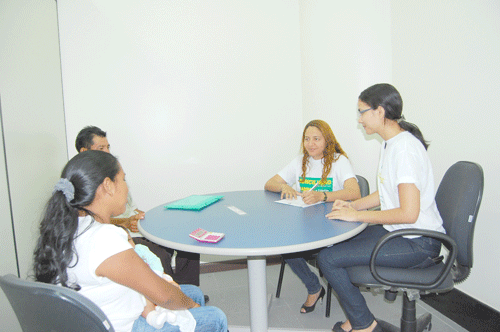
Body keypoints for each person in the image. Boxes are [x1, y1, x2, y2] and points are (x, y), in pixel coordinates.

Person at [33, 150, 227, 332]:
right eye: (123, 179)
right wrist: (191, 306)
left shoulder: (69, 227)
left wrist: (187, 302)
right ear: (108, 185)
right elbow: (166, 297)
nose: (127, 187)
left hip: (94, 317)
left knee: (192, 292)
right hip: (121, 325)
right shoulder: (104, 238)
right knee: (214, 317)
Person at [317, 84, 445, 332]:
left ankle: (364, 324)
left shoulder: (405, 150)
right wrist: (352, 205)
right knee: (334, 242)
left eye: (362, 111)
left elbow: (409, 213)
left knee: (328, 258)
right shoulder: (391, 144)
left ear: (380, 111)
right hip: (398, 230)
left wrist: (357, 215)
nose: (359, 119)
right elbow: (385, 194)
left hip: (418, 242)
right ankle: (359, 317)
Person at [75, 126, 202, 287]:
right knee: (160, 254)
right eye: (101, 148)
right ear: (84, 151)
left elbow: (131, 208)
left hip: (136, 225)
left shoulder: (113, 171)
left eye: (108, 147)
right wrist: (126, 223)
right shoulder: (83, 184)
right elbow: (92, 222)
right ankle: (167, 297)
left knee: (185, 237)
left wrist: (141, 216)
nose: (107, 152)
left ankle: (187, 290)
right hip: (124, 233)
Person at [264, 119, 361, 314]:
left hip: (332, 225)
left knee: (322, 254)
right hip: (306, 224)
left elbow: (354, 192)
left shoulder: (338, 161)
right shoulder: (301, 161)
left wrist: (323, 195)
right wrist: (284, 185)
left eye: (316, 138)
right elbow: (269, 183)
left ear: (327, 140)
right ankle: (314, 287)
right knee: (288, 248)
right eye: (307, 139)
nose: (311, 144)